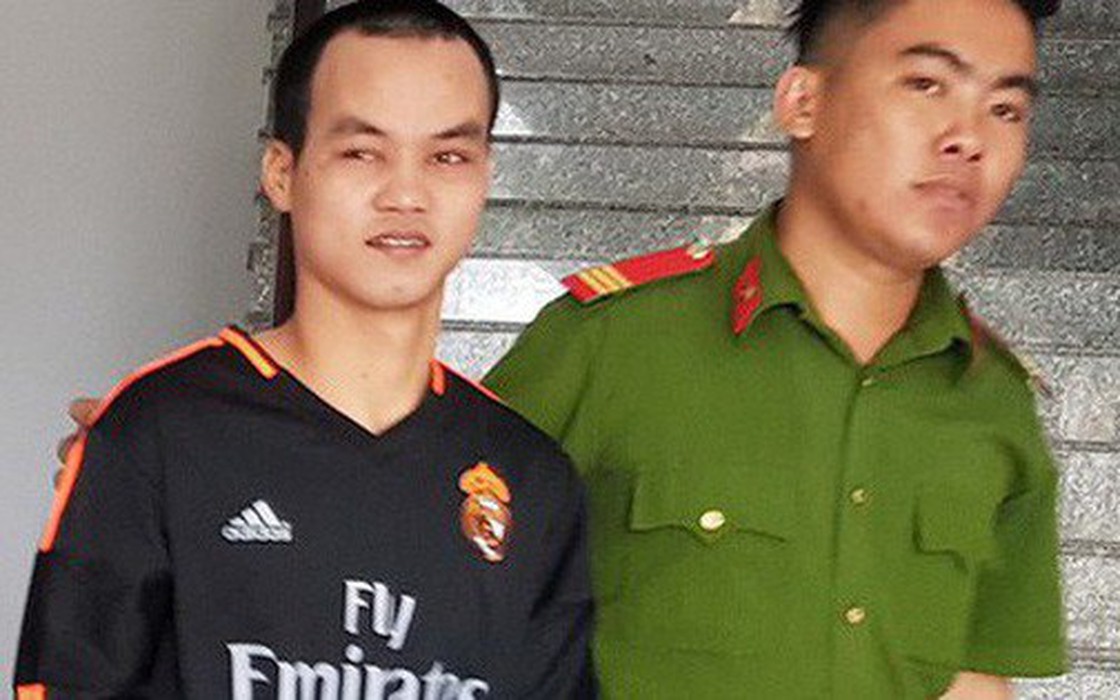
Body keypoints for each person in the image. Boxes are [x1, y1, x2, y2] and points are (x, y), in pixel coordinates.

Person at [483, 0, 1066, 697]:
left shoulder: (993, 400)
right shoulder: (610, 342)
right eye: (926, 85)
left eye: (1005, 109)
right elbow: (440, 609)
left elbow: (974, 683)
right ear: (802, 103)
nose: (968, 139)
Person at [15, 2, 593, 698]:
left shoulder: (530, 480)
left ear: (484, 178)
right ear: (282, 173)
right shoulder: (159, 431)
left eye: (447, 156)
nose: (406, 194)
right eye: (361, 152)